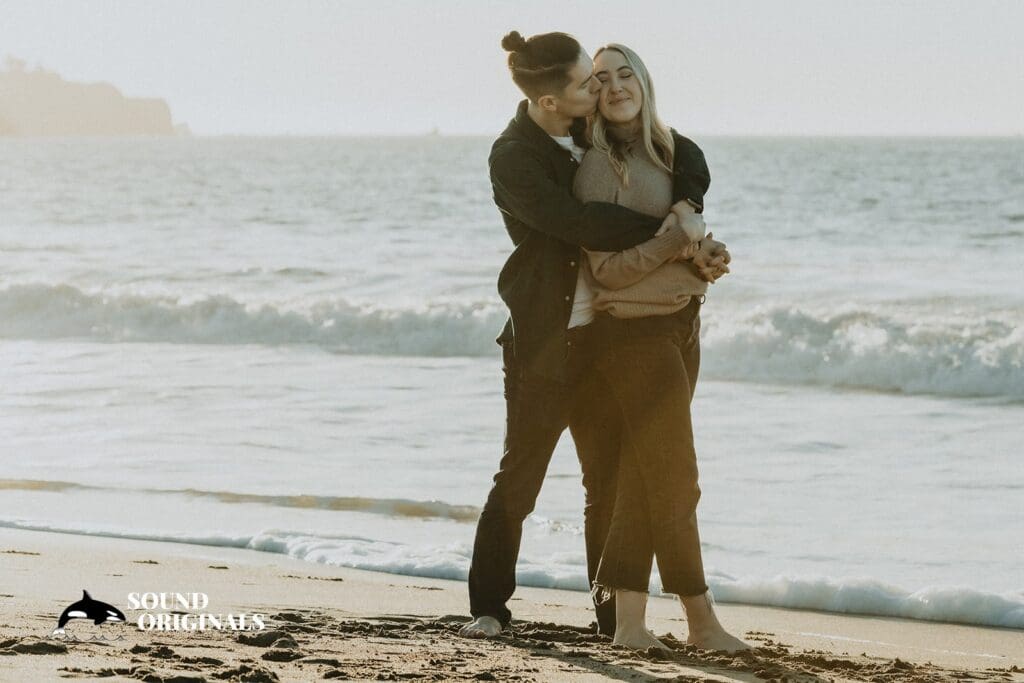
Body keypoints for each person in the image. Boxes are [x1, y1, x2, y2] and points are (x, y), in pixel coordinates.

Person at [460, 30, 701, 639]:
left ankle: (611, 616)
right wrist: (667, 228)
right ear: (550, 101)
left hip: (604, 338)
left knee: (607, 481)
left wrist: (690, 202)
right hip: (546, 341)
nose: (599, 88)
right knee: (522, 476)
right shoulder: (514, 156)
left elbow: (678, 152)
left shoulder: (587, 133)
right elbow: (575, 221)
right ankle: (489, 606)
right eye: (585, 82)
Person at [572, 43, 751, 653]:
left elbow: (681, 244)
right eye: (602, 79)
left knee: (643, 477)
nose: (616, 86)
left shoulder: (671, 153)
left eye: (626, 74)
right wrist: (673, 241)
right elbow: (607, 273)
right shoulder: (597, 167)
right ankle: (700, 623)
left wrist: (706, 257)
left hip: (682, 325)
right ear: (591, 95)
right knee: (676, 478)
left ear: (644, 83)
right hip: (633, 337)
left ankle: (628, 626)